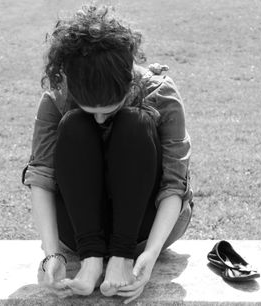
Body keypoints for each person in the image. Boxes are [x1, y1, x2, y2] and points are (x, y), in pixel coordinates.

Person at [22, 4, 193, 303]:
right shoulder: (58, 97)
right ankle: (91, 262)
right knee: (75, 124)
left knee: (135, 122)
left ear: (129, 80)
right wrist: (52, 255)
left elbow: (174, 184)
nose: (100, 119)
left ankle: (121, 258)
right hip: (78, 228)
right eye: (93, 111)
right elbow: (42, 178)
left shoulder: (160, 93)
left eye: (108, 109)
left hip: (144, 227)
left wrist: (149, 258)